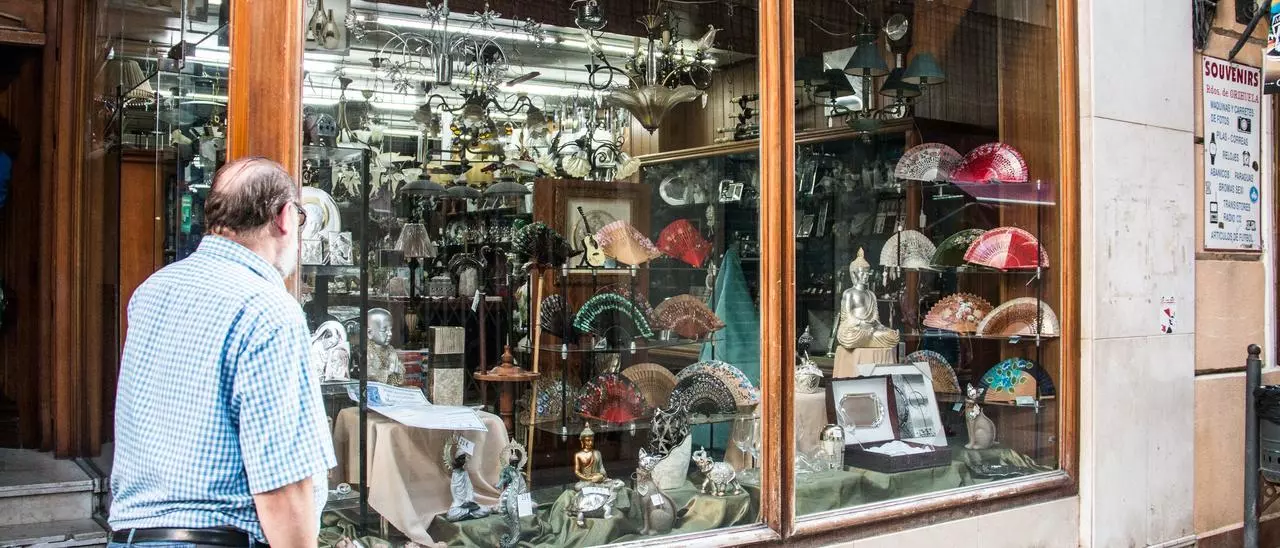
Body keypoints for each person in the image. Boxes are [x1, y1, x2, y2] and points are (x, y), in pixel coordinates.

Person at [109, 157, 336, 547]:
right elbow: (282, 481)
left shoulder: (153, 290)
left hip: (131, 535)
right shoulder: (268, 309)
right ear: (284, 217)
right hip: (215, 537)